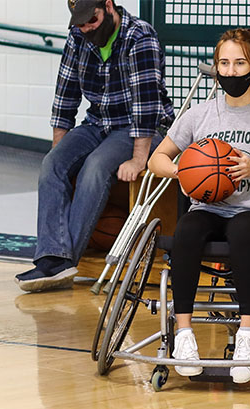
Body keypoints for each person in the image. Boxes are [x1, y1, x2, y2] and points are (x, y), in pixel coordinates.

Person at [147, 28, 250, 384]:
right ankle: (183, 336)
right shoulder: (200, 115)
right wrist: (182, 170)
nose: (231, 71)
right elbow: (156, 159)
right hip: (209, 208)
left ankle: (248, 334)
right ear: (216, 68)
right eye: (224, 63)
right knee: (187, 226)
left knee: (242, 227)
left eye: (239, 63)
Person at [16, 0, 174, 292]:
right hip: (98, 123)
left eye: (92, 20)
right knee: (52, 164)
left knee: (96, 165)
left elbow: (146, 105)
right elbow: (65, 98)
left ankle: (64, 263)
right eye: (80, 23)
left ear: (109, 6)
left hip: (140, 128)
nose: (87, 28)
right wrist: (61, 155)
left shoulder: (140, 36)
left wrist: (140, 159)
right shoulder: (77, 36)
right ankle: (50, 257)